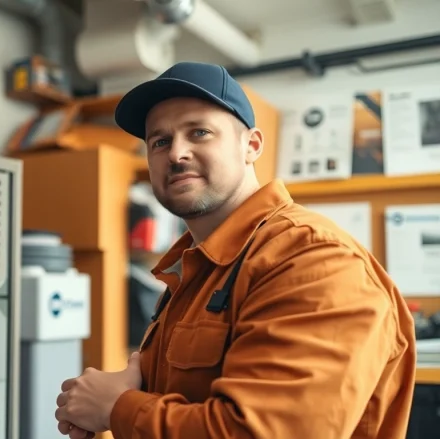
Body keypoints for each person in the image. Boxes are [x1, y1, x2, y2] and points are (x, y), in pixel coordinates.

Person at [54, 61, 417, 439]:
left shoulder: (313, 259)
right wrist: (119, 392)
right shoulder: (196, 269)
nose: (176, 153)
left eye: (199, 132)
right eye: (159, 141)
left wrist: (117, 407)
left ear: (252, 146)